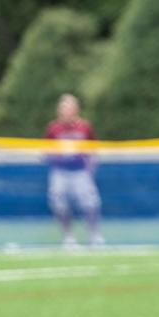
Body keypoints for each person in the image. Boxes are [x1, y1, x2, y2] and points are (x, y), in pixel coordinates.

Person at [44, 94, 103, 247]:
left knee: (90, 203)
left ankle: (94, 235)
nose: (66, 111)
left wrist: (92, 166)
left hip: (81, 172)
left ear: (76, 109)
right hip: (60, 172)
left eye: (69, 108)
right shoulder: (53, 128)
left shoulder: (84, 127)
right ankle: (69, 237)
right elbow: (45, 149)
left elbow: (94, 148)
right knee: (58, 202)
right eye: (63, 108)